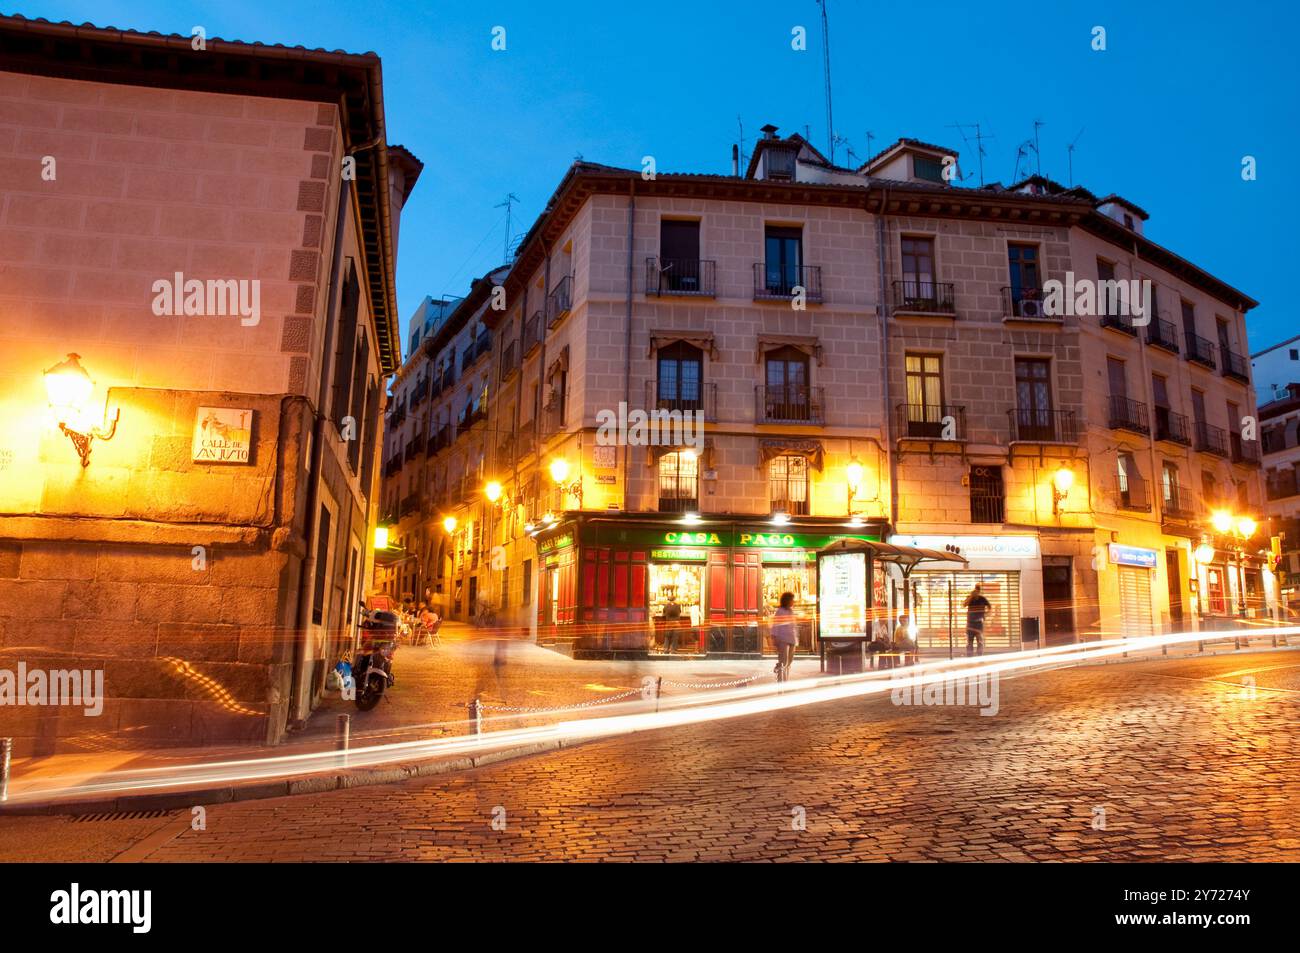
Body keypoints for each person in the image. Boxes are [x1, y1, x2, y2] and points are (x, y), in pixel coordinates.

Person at [771, 592, 798, 682]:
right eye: (792, 600)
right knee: (784, 661)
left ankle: (785, 679)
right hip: (783, 639)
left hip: (792, 639)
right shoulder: (780, 611)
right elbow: (775, 625)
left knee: (789, 661)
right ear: (787, 600)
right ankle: (781, 679)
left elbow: (794, 626)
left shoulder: (791, 611)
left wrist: (796, 638)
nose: (793, 601)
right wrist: (774, 637)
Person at [963, 584, 992, 656]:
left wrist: (986, 615)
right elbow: (964, 605)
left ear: (979, 591)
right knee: (969, 642)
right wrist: (971, 596)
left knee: (980, 641)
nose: (977, 591)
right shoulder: (969, 598)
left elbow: (990, 607)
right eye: (976, 589)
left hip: (979, 624)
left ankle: (979, 656)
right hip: (970, 623)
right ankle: (969, 657)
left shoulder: (983, 598)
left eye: (978, 589)